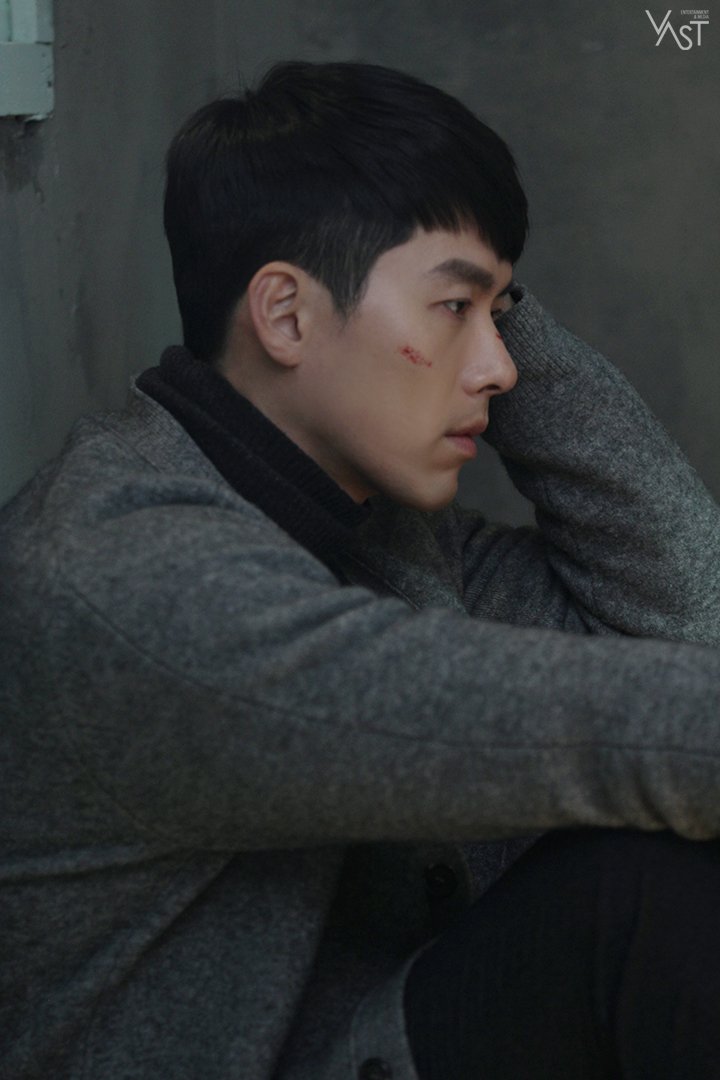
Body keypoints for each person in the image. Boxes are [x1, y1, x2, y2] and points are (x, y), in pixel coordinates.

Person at [1, 59, 720, 1080]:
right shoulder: (124, 577)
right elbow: (607, 732)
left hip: (384, 1028)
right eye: (456, 308)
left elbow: (693, 622)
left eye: (503, 313)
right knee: (642, 890)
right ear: (287, 316)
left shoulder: (381, 531)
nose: (502, 367)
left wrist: (481, 286)